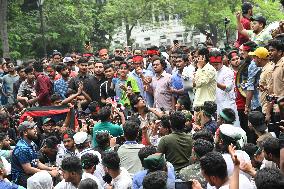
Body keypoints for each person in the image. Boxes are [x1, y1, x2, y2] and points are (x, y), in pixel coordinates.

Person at [11, 121, 58, 187]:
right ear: (25, 132)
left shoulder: (32, 144)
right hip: (21, 178)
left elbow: (37, 163)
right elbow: (28, 170)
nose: (35, 130)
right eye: (32, 128)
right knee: (46, 179)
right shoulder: (21, 148)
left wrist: (50, 168)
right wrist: (50, 173)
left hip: (30, 174)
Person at [209, 49, 240, 127]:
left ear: (221, 62)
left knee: (232, 128)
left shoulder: (228, 71)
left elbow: (228, 88)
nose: (215, 66)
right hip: (218, 105)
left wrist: (214, 83)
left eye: (217, 64)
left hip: (228, 105)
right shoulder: (212, 71)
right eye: (213, 64)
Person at [249, 47, 274, 122]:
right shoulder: (265, 69)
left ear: (259, 59)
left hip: (269, 110)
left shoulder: (269, 70)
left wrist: (268, 113)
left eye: (254, 58)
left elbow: (271, 93)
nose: (253, 60)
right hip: (265, 108)